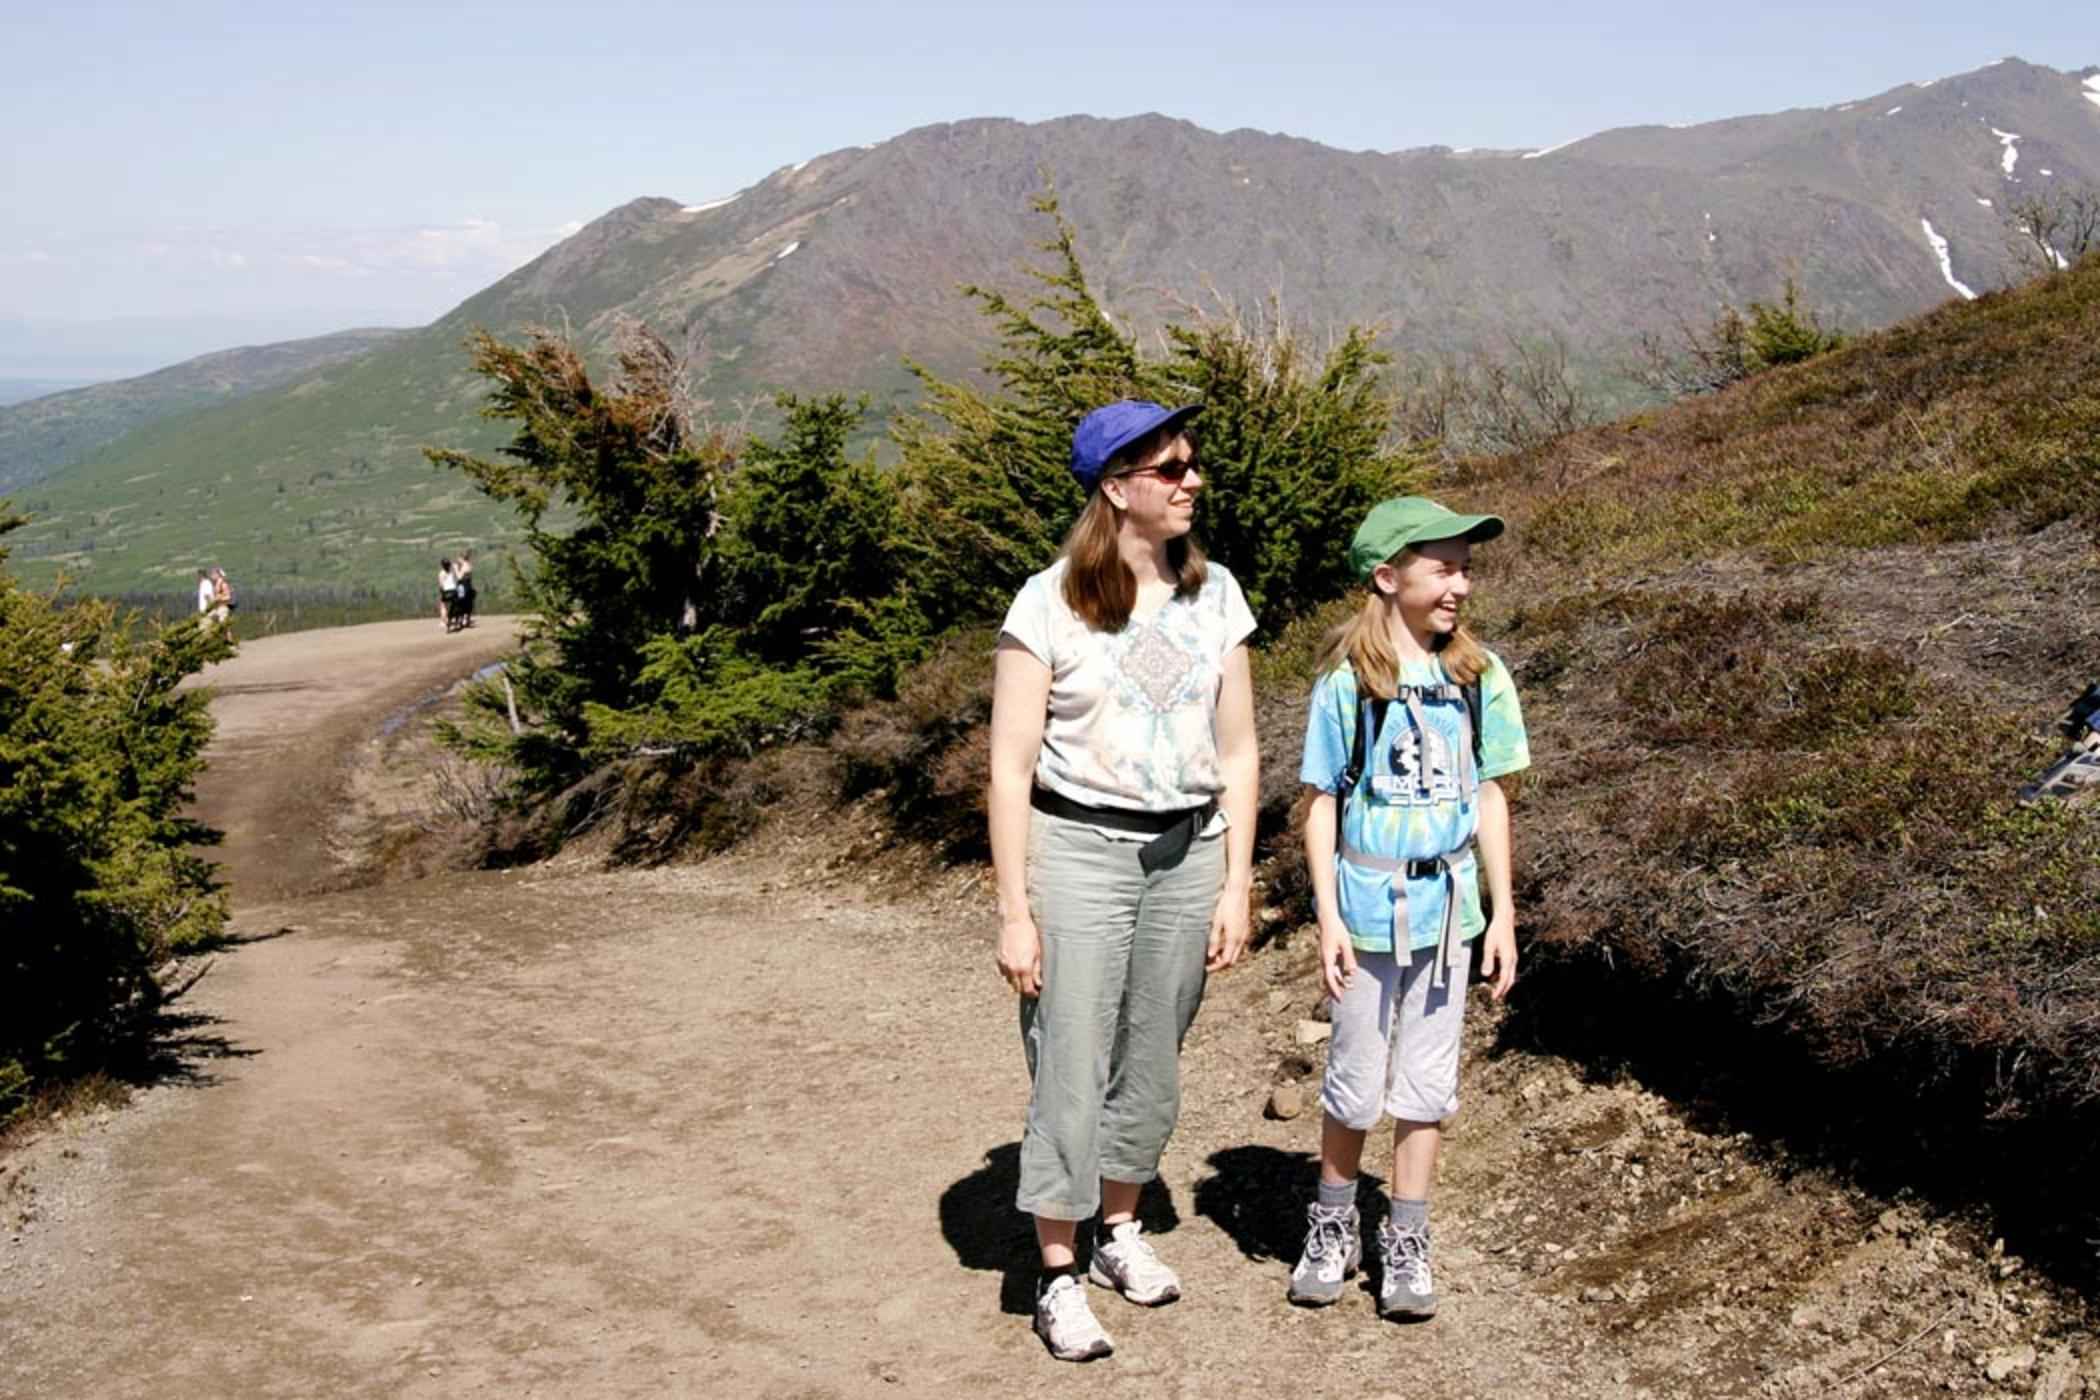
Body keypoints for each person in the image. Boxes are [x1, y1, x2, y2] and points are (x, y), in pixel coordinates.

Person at [987, 399, 1260, 1363]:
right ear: (1116, 488)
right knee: (1069, 1055)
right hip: (1078, 854)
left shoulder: (1216, 593)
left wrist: (1235, 882)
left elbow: (1239, 747)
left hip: (1186, 853)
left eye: (1191, 462)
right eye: (1168, 468)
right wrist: (1015, 909)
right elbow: (1011, 766)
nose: (1190, 480)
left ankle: (1119, 1230)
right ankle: (1056, 1275)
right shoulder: (1048, 600)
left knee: (1153, 1053)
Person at [1286, 496, 1529, 1320]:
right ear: (1388, 578)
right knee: (1354, 1079)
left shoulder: (1479, 675)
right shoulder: (1348, 682)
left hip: (1450, 911)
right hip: (1363, 911)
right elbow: (1320, 802)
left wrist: (1503, 915)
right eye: (1443, 566)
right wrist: (1327, 918)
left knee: (1427, 1083)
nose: (1460, 583)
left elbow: (1492, 795)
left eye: (1466, 566)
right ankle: (1332, 1221)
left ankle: (1408, 1240)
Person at [453, 548, 476, 628]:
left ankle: (460, 620)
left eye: (458, 558)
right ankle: (466, 620)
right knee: (468, 603)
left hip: (463, 586)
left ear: (461, 558)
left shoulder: (465, 566)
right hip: (468, 586)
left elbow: (459, 577)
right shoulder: (469, 564)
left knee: (460, 604)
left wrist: (456, 569)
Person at [437, 558, 455, 631]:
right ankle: (448, 620)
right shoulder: (451, 572)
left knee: (443, 606)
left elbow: (441, 585)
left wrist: (441, 592)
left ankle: (445, 622)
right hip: (453, 590)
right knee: (450, 606)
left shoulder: (441, 573)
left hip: (446, 591)